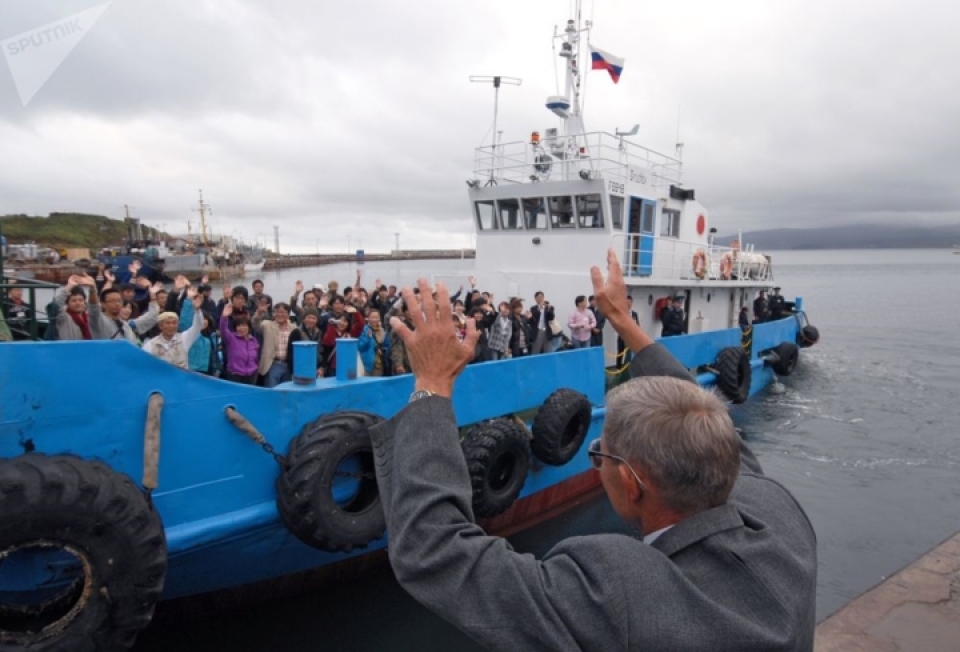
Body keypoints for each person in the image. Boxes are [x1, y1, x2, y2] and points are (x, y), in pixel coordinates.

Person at [371, 249, 817, 651]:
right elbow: (713, 427)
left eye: (600, 453)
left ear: (630, 482)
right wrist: (625, 324)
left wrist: (430, 386)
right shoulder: (779, 512)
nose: (597, 458)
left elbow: (434, 551)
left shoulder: (620, 595)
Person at [141, 288, 204, 369]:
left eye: (174, 323)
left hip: (181, 379)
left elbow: (198, 326)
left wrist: (197, 310)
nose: (171, 326)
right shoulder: (150, 344)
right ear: (160, 326)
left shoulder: (184, 339)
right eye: (168, 323)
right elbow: (143, 364)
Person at [220, 303, 260, 384]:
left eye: (244, 325)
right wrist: (224, 317)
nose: (241, 328)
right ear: (235, 328)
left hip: (251, 374)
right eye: (239, 326)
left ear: (249, 327)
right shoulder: (231, 338)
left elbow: (256, 358)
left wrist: (255, 369)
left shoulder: (254, 340)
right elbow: (223, 330)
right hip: (235, 374)